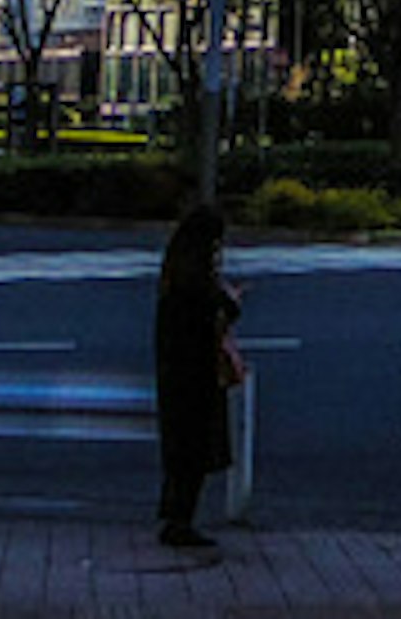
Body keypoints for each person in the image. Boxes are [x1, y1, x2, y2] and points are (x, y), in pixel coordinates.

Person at [149, 200, 243, 551]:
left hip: (175, 373)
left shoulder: (176, 272)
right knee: (195, 451)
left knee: (180, 452)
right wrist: (230, 300)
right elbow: (216, 315)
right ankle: (181, 522)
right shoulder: (199, 280)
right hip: (197, 375)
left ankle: (173, 516)